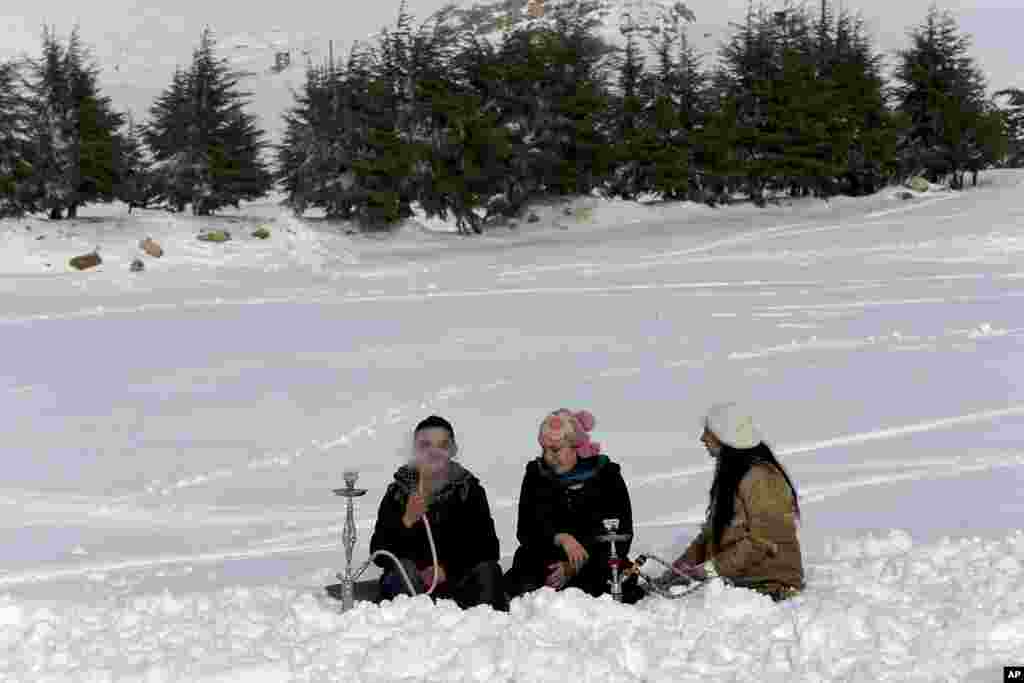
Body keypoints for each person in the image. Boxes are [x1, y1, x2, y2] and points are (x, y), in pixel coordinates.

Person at [369, 415, 508, 611]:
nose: (433, 452)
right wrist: (407, 521)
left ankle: (487, 629)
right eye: (425, 445)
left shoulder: (469, 489)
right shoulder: (398, 492)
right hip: (412, 586)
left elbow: (488, 547)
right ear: (415, 450)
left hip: (457, 581)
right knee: (403, 569)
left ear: (452, 450)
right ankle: (408, 629)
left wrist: (446, 569)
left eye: (442, 445)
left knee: (488, 570)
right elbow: (379, 553)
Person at [668, 403, 804, 601]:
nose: (703, 438)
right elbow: (711, 534)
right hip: (738, 577)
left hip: (769, 583)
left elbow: (763, 542)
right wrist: (678, 569)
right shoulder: (732, 473)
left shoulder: (761, 478)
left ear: (725, 436)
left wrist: (709, 570)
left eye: (708, 431)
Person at [504, 409, 642, 602]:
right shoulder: (536, 475)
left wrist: (574, 565)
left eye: (556, 450)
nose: (548, 457)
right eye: (544, 449)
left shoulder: (606, 475)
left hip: (597, 563)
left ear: (576, 447)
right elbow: (527, 530)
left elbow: (621, 532)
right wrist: (560, 537)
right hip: (546, 561)